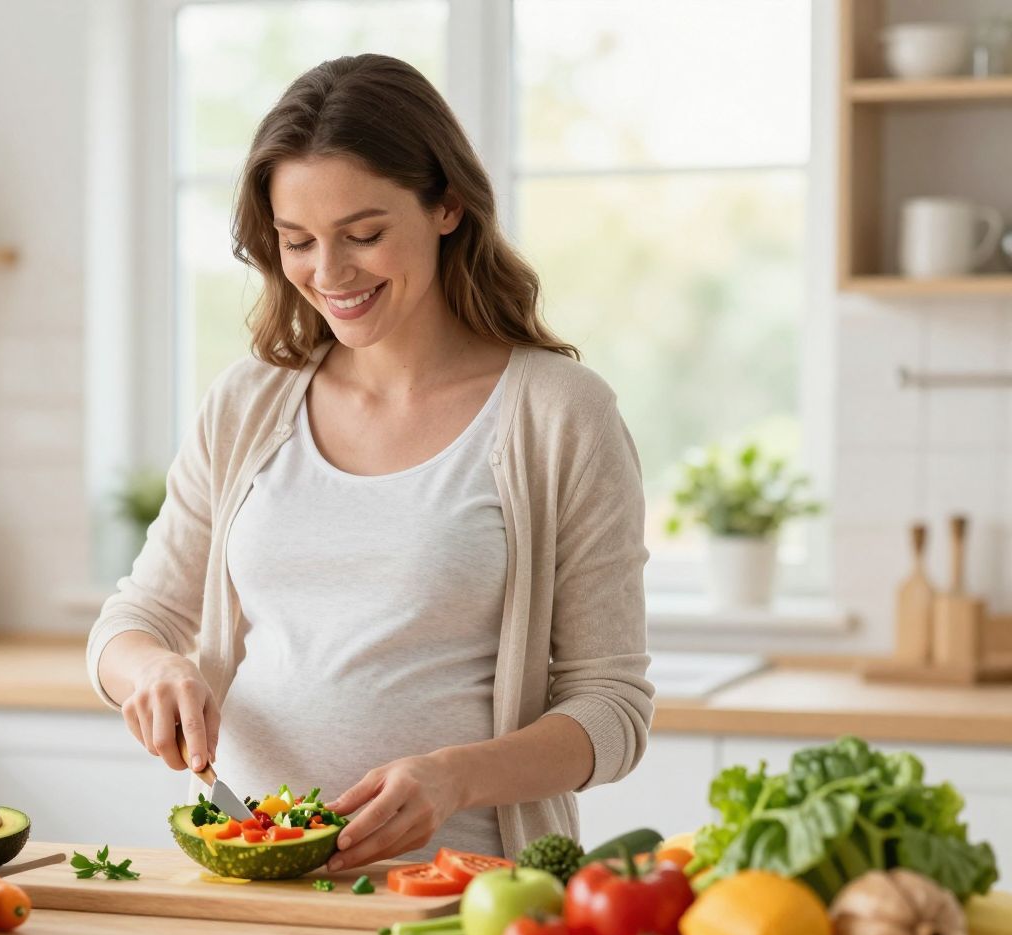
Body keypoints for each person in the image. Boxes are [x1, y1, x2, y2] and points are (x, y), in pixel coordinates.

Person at [86, 54, 652, 872]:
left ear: (448, 205)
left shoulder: (560, 414)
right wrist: (153, 670)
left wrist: (452, 779)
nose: (330, 273)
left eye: (364, 234)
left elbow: (612, 708)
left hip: (466, 889)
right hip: (252, 874)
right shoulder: (248, 404)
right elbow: (130, 623)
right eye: (297, 242)